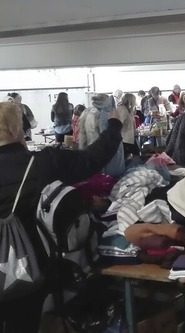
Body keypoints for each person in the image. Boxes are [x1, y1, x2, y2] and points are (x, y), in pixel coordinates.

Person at [0, 102, 123, 333]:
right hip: (33, 270)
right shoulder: (43, 162)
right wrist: (114, 126)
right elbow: (92, 159)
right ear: (16, 131)